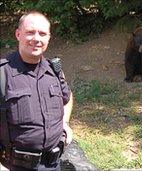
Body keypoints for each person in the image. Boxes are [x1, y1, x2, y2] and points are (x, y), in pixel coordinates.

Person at [0, 11, 73, 171]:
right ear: (18, 34)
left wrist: (65, 123)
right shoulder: (2, 73)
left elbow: (67, 98)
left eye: (42, 33)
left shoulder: (54, 70)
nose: (36, 39)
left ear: (48, 38)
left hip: (53, 164)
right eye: (30, 32)